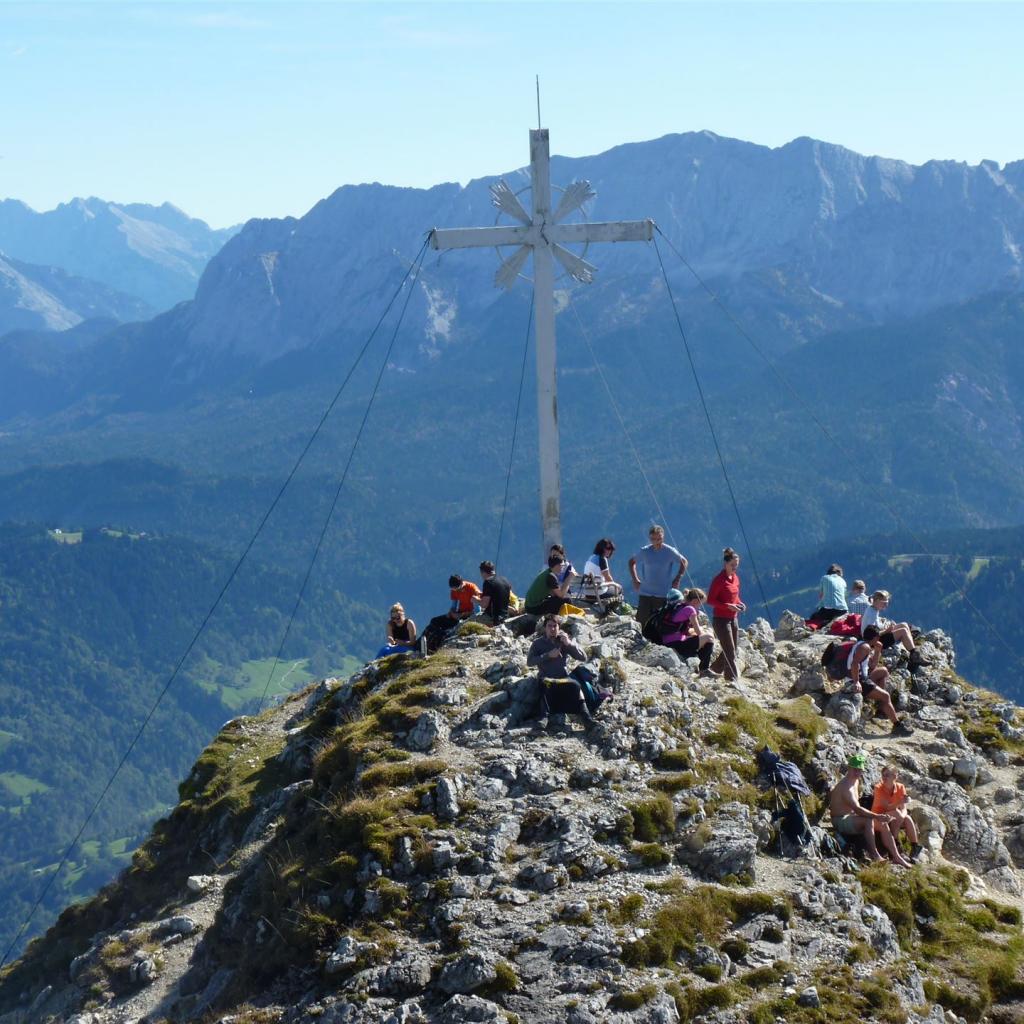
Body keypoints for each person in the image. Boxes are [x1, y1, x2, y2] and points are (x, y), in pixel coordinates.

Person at [829, 753, 913, 867]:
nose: (858, 773)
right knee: (868, 820)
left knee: (882, 824)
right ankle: (875, 854)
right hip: (839, 820)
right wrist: (877, 816)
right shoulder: (846, 787)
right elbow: (858, 809)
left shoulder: (855, 781)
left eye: (860, 770)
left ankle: (896, 857)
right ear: (849, 768)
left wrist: (879, 818)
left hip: (851, 817)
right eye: (855, 769)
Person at [847, 626, 915, 736]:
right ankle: (897, 726)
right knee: (886, 696)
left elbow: (872, 666)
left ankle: (881, 705)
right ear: (874, 638)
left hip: (861, 677)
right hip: (858, 680)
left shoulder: (862, 644)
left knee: (883, 672)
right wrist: (856, 682)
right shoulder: (865, 647)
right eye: (878, 637)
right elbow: (854, 664)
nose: (879, 639)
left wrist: (878, 651)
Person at [628, 525, 688, 625]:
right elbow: (631, 562)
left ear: (663, 537)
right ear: (649, 538)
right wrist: (635, 580)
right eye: (653, 539)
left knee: (659, 623)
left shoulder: (670, 551)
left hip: (662, 594)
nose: (656, 542)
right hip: (645, 593)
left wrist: (678, 578)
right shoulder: (645, 551)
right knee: (641, 622)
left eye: (659, 539)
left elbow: (684, 562)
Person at [707, 547, 746, 681]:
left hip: (733, 618)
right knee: (730, 653)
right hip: (721, 620)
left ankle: (712, 671)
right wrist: (727, 606)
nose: (734, 567)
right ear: (725, 564)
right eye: (732, 565)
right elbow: (710, 600)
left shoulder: (735, 578)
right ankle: (732, 680)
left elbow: (735, 596)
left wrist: (740, 603)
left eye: (736, 565)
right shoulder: (719, 580)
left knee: (731, 649)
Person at [872, 764, 923, 863]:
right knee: (897, 813)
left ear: (894, 777)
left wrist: (902, 816)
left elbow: (904, 808)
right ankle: (896, 845)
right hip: (878, 816)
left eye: (887, 775)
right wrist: (899, 803)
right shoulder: (878, 788)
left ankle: (915, 847)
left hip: (894, 817)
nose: (884, 777)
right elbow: (885, 807)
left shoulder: (900, 787)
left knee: (907, 818)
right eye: (883, 775)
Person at [661, 588, 716, 676]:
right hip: (676, 644)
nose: (699, 607)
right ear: (695, 601)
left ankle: (697, 662)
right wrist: (704, 632)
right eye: (700, 604)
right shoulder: (690, 609)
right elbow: (699, 632)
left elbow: (684, 628)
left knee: (702, 635)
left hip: (668, 641)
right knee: (709, 637)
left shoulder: (681, 606)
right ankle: (704, 668)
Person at [423, 574, 482, 653]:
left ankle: (434, 648)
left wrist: (462, 615)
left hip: (469, 616)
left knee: (446, 632)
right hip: (459, 614)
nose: (455, 591)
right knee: (434, 621)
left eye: (456, 589)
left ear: (461, 583)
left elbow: (477, 611)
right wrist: (451, 613)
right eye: (453, 589)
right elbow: (454, 605)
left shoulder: (472, 588)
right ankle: (424, 643)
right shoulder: (454, 590)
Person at [861, 590, 917, 655]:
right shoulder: (871, 614)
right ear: (877, 601)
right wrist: (886, 631)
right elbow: (872, 634)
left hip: (877, 637)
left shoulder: (873, 609)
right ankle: (913, 654)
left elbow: (875, 626)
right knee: (903, 631)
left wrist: (885, 626)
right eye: (884, 603)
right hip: (872, 641)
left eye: (887, 603)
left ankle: (911, 646)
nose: (886, 605)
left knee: (904, 624)